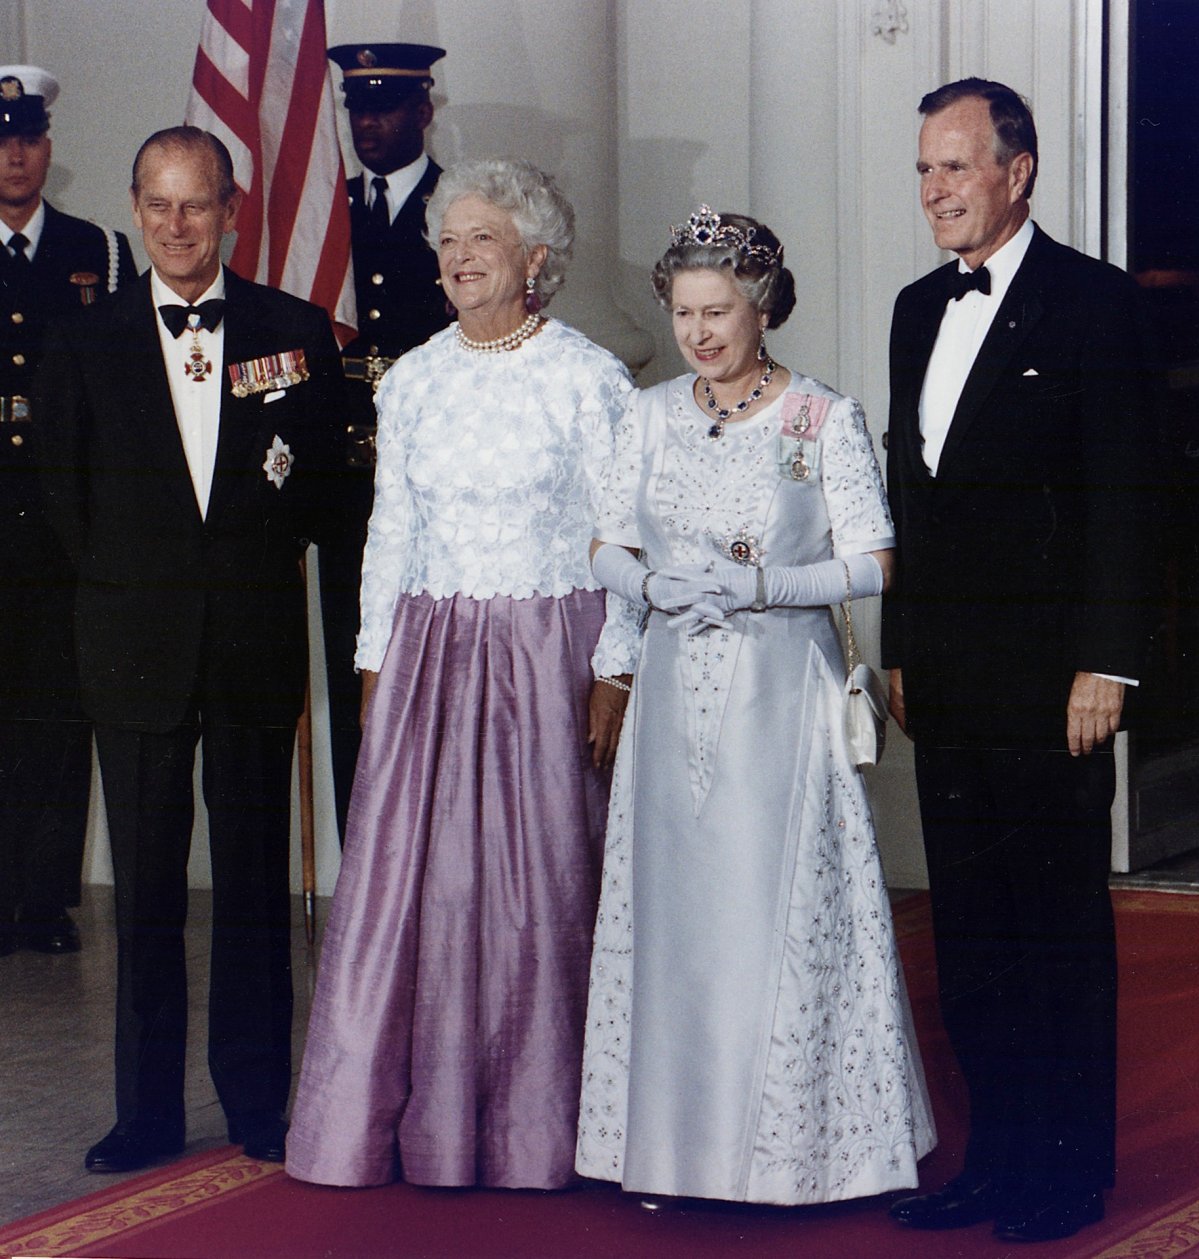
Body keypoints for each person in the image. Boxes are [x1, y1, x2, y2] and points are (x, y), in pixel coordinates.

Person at [286, 157, 639, 1190]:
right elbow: (390, 530)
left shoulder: (588, 376)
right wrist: (372, 660)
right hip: (430, 661)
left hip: (548, 657)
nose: (459, 257)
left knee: (542, 889)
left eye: (482, 238)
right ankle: (428, 1129)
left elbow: (627, 538)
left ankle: (543, 1131)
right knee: (426, 891)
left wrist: (613, 669)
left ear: (536, 258)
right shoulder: (418, 377)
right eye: (449, 241)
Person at [575, 206, 935, 1206]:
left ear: (762, 305)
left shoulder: (820, 415)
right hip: (671, 713)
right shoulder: (646, 415)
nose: (699, 333)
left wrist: (769, 586)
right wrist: (644, 586)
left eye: (718, 311)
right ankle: (670, 1154)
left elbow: (875, 559)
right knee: (681, 925)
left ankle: (796, 1158)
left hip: (779, 700)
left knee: (765, 915)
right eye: (684, 312)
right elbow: (602, 542)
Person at [36, 126, 343, 1173]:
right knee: (149, 898)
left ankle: (260, 1101)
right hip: (133, 653)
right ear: (134, 207)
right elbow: (64, 506)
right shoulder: (81, 341)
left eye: (198, 204)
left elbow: (320, 498)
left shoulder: (296, 333)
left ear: (232, 209)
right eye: (159, 205)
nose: (177, 226)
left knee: (255, 891)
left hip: (253, 648)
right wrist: (146, 591)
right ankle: (146, 1113)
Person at [882, 80, 1157, 1243]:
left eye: (956, 168)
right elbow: (911, 497)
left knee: (1054, 928)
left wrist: (1111, 659)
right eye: (926, 172)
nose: (937, 192)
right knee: (973, 931)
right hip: (944, 676)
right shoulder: (912, 307)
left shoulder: (1096, 304)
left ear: (1019, 170)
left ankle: (1064, 1173)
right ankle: (993, 1159)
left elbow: (1135, 499)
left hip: (1057, 683)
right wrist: (897, 651)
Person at [0, 65, 134, 957]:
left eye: (27, 136)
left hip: (58, 528)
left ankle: (43, 899)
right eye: (1, 139)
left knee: (55, 714)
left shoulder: (101, 252)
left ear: (49, 146)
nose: (14, 153)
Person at [321, 42, 451, 843]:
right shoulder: (322, 212)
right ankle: (362, 854)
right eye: (358, 108)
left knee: (437, 678)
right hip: (343, 487)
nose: (370, 123)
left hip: (436, 483)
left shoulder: (456, 212)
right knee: (352, 672)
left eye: (387, 107)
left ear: (424, 111)